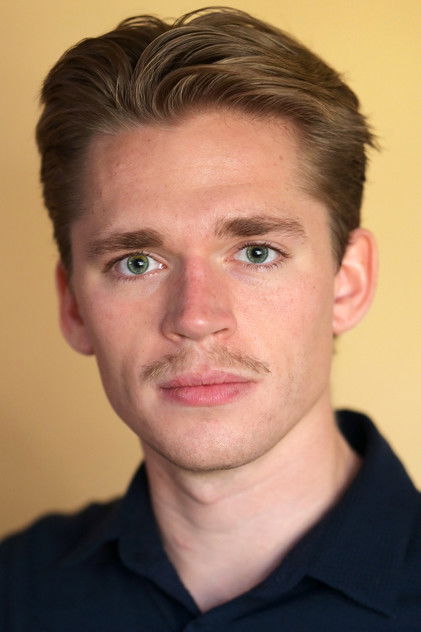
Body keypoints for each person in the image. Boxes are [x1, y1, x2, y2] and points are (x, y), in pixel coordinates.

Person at [1, 7, 420, 630]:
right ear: (73, 307)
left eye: (257, 253)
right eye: (137, 262)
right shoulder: (16, 592)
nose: (195, 317)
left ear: (348, 283)